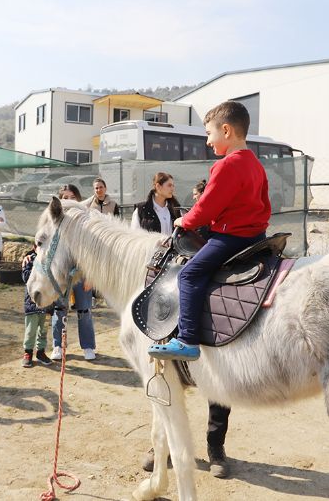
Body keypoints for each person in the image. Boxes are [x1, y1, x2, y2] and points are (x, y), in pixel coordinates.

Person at [149, 101, 270, 362]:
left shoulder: (227, 165)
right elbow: (265, 205)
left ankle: (188, 340)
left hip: (231, 238)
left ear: (225, 130)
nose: (207, 141)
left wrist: (185, 222)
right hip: (255, 237)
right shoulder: (256, 165)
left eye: (208, 134)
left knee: (189, 275)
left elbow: (206, 208)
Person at [137, 177, 233, 478]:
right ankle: (161, 442)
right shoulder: (185, 227)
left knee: (218, 382)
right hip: (179, 299)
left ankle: (215, 447)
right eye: (195, 197)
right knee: (162, 375)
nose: (194, 201)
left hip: (216, 300)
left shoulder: (223, 230)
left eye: (199, 197)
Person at [51, 185, 97, 361]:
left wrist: (91, 275)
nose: (68, 200)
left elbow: (92, 251)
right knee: (59, 309)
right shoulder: (55, 221)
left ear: (77, 199)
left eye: (71, 197)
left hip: (82, 272)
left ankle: (88, 346)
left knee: (84, 310)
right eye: (64, 197)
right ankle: (58, 345)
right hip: (61, 273)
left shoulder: (86, 221)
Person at [21, 246, 53, 368]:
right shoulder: (29, 260)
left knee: (43, 330)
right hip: (32, 302)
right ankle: (27, 353)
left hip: (47, 303)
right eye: (39, 246)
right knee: (30, 331)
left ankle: (41, 352)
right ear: (34, 248)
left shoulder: (50, 261)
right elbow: (26, 277)